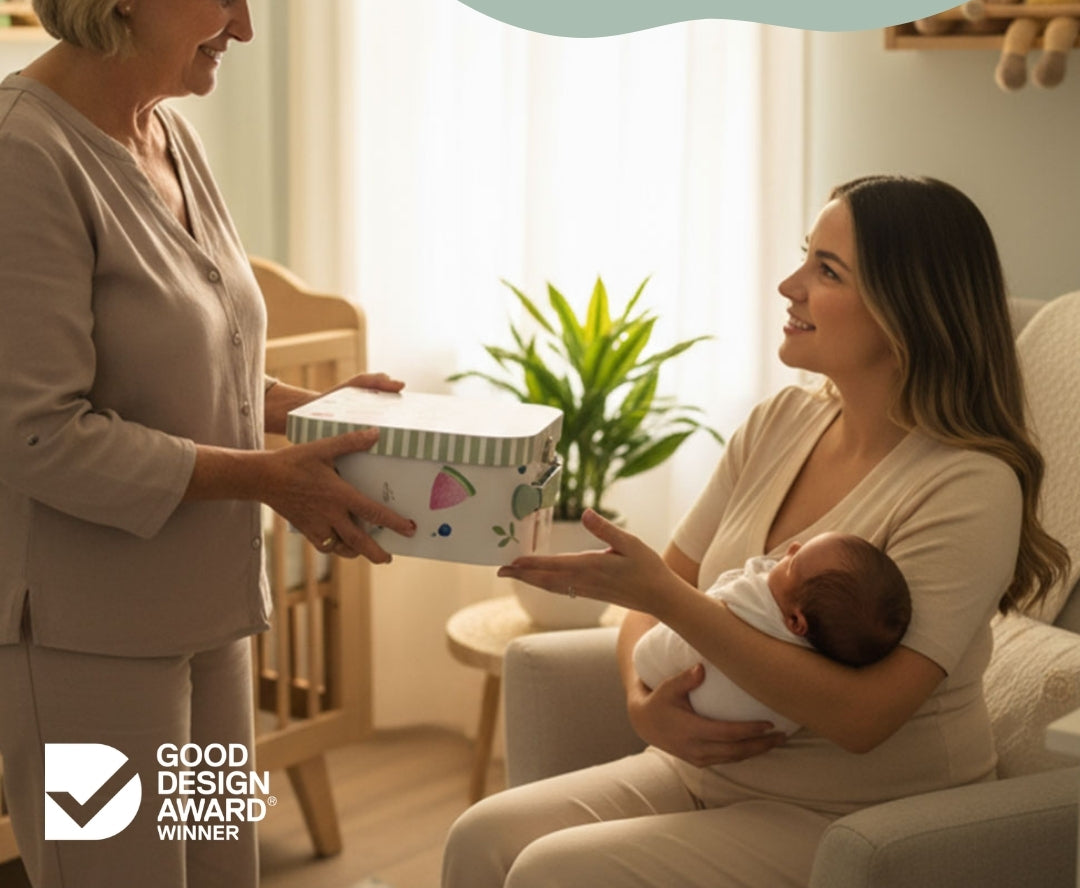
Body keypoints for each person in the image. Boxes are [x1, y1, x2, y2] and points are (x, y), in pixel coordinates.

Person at [443, 175, 1071, 888]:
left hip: (854, 818)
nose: (788, 285)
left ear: (907, 313)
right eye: (807, 256)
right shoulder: (782, 422)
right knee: (481, 838)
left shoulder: (968, 484)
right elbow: (653, 594)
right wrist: (644, 705)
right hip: (701, 777)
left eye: (826, 271)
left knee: (552, 872)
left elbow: (864, 718)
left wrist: (674, 603)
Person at [0, 0, 414, 888]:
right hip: (86, 632)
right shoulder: (23, 157)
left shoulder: (166, 135)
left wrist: (302, 413)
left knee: (225, 871)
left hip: (213, 612)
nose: (244, 26)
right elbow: (36, 434)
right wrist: (265, 477)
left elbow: (201, 361)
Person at [633, 532, 911, 733]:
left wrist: (644, 677)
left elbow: (649, 654)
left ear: (795, 622)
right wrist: (641, 711)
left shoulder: (750, 604)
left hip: (704, 705)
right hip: (755, 734)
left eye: (792, 563)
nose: (791, 548)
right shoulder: (827, 652)